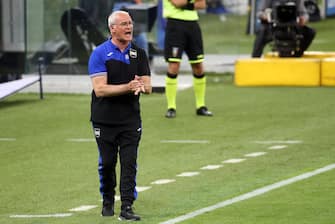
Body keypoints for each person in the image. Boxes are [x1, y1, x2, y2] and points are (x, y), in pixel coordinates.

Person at [88, 10, 152, 221]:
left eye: (130, 23)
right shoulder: (99, 54)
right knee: (107, 163)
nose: (129, 27)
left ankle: (127, 206)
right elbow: (100, 90)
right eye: (124, 24)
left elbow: (148, 86)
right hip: (104, 120)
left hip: (130, 120)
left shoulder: (139, 53)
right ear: (112, 29)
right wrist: (128, 86)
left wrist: (141, 86)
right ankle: (107, 199)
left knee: (129, 163)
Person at [163, 0, 213, 118]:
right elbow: (177, 2)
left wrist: (187, 4)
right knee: (174, 65)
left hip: (193, 25)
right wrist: (191, 4)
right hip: (175, 25)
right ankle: (171, 107)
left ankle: (201, 106)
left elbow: (202, 4)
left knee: (198, 66)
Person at [251, 0, 316, 57]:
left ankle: (297, 55)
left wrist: (304, 19)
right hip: (274, 26)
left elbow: (304, 13)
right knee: (261, 32)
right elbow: (259, 12)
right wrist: (266, 16)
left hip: (292, 27)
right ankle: (254, 59)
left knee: (310, 32)